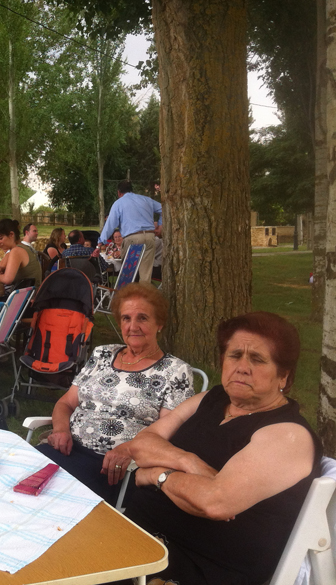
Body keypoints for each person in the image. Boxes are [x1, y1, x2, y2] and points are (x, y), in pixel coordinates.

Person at [122, 311, 321, 585]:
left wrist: (157, 475)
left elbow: (214, 503)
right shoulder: (212, 399)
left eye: (257, 359)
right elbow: (142, 443)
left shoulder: (288, 435)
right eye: (234, 355)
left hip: (200, 567)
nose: (242, 367)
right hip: (139, 536)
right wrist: (189, 462)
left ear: (283, 377)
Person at [36, 283, 194, 504]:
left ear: (160, 323)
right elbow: (66, 403)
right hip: (66, 448)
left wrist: (129, 449)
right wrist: (61, 430)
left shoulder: (175, 371)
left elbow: (169, 432)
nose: (133, 326)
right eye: (126, 318)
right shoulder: (102, 354)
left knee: (50, 499)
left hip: (112, 466)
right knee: (21, 480)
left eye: (142, 318)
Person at [99, 180, 162, 284]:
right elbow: (163, 209)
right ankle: (144, 293)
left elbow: (110, 224)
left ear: (119, 192)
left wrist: (101, 241)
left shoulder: (119, 203)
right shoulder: (146, 199)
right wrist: (160, 225)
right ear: (132, 190)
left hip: (132, 238)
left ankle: (129, 292)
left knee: (129, 274)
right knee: (145, 275)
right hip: (150, 236)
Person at [0, 219, 42, 292]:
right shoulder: (26, 248)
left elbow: (7, 279)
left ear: (11, 235)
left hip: (25, 297)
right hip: (32, 294)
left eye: (0, 238)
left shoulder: (16, 251)